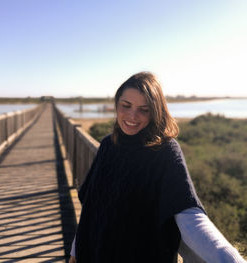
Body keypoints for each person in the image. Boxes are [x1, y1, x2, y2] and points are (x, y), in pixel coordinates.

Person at [69, 72, 246, 263]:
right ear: (117, 104)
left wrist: (230, 259)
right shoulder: (108, 145)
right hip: (95, 252)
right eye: (125, 105)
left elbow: (188, 214)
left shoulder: (165, 151)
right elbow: (92, 207)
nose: (132, 116)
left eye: (143, 109)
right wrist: (74, 252)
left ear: (155, 111)